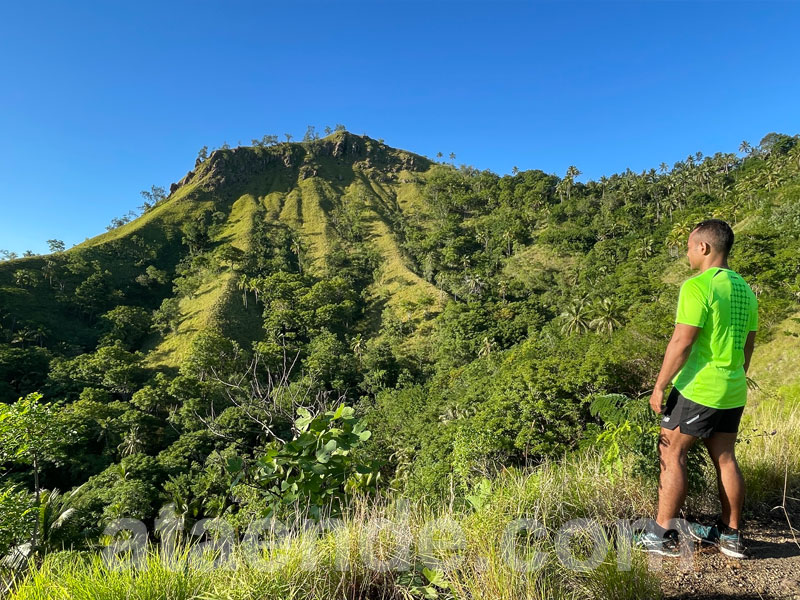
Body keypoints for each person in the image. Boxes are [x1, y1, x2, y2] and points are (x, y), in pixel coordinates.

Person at [638, 219, 758, 558]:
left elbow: (682, 341)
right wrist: (734, 375)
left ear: (703, 247)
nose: (688, 254)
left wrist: (660, 385)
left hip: (698, 388)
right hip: (733, 388)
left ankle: (661, 534)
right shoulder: (746, 291)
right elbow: (748, 347)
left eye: (690, 247)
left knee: (671, 452)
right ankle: (732, 535)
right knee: (725, 458)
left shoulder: (697, 286)